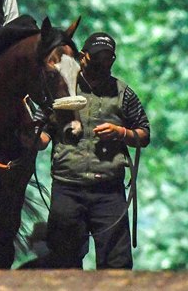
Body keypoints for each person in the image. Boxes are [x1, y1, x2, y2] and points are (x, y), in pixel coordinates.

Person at [38, 32, 150, 269]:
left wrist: (121, 133)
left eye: (108, 58)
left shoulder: (123, 93)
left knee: (116, 266)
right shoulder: (62, 87)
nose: (103, 63)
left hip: (108, 191)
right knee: (63, 264)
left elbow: (144, 133)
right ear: (83, 57)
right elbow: (45, 133)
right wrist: (34, 137)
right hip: (68, 186)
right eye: (97, 57)